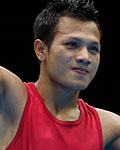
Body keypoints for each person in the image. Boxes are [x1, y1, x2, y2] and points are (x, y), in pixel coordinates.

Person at [0, 0, 120, 149]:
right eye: (72, 44)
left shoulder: (110, 128)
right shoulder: (12, 98)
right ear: (41, 49)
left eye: (93, 49)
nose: (85, 57)